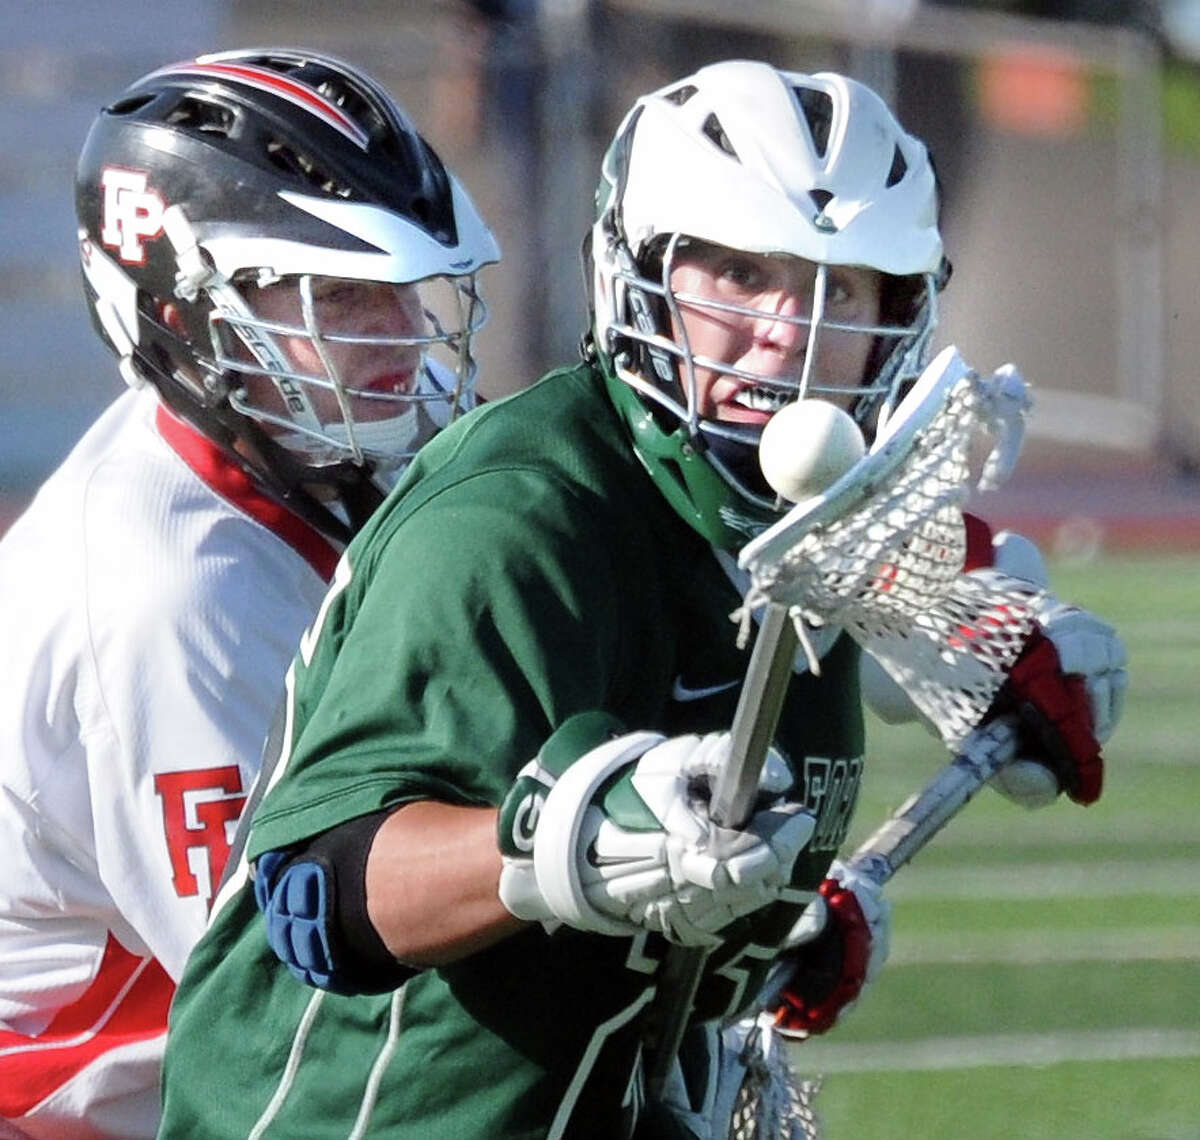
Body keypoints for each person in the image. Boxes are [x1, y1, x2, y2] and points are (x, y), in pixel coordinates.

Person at [157, 61, 1125, 1140]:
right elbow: (321, 898)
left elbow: (681, 873)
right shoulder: (518, 516)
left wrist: (761, 940)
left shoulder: (802, 523)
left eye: (837, 287)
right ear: (643, 276)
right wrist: (563, 844)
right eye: (741, 274)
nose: (789, 331)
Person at [0, 48, 498, 1139]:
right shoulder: (168, 593)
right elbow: (296, 989)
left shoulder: (288, 466)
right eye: (340, 295)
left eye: (402, 287)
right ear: (182, 312)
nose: (402, 333)